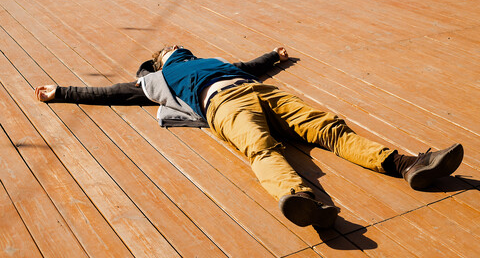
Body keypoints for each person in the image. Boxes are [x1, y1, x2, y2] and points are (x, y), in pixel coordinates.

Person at [35, 46, 464, 229]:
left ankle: (411, 166)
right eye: (170, 52)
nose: (176, 52)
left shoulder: (216, 61)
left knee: (328, 129)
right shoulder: (157, 80)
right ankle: (306, 202)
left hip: (253, 91)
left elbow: (253, 65)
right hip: (225, 105)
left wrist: (273, 56)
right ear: (162, 63)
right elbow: (114, 93)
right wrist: (63, 93)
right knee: (262, 147)